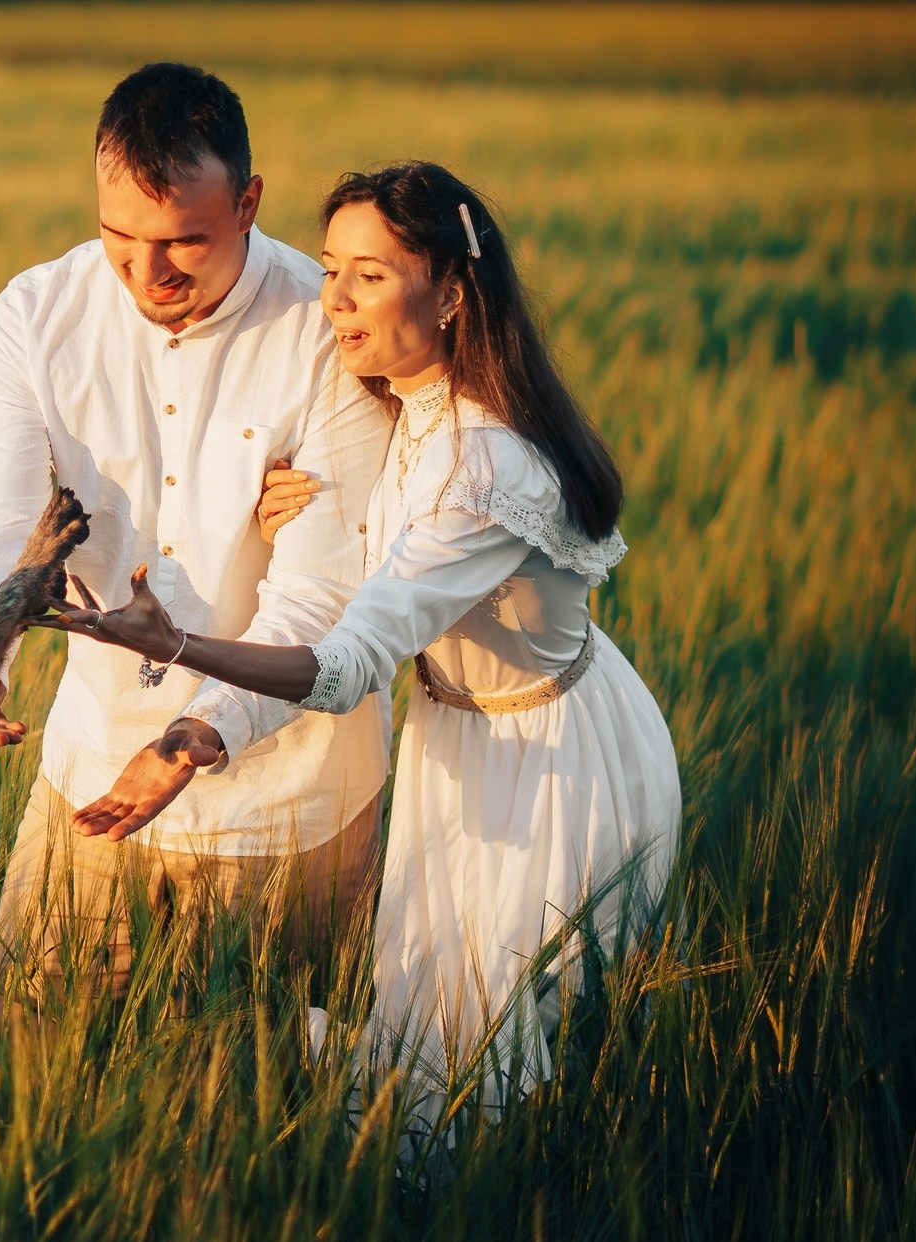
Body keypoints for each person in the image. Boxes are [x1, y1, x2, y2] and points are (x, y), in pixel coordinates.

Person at [49, 160, 683, 1119]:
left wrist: (174, 646)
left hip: (549, 769)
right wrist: (295, 508)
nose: (331, 301)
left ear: (452, 294)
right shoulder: (406, 403)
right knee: (436, 1022)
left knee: (481, 1057)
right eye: (330, 267)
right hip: (461, 736)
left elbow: (345, 667)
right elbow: (370, 526)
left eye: (370, 276)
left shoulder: (484, 471)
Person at [0, 63, 393, 991]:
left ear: (248, 203)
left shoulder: (331, 331)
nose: (146, 272)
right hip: (92, 753)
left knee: (261, 1100)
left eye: (183, 242)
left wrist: (202, 729)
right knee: (30, 1069)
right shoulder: (34, 319)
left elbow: (325, 596)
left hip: (290, 793)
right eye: (118, 236)